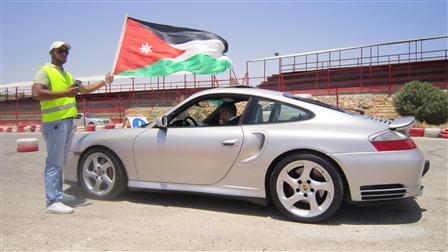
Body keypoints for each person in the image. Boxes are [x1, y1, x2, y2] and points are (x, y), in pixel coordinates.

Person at [32, 41, 114, 214]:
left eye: (66, 52)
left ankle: (58, 194)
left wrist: (104, 81)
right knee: (54, 162)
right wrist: (64, 93)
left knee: (61, 161)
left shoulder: (67, 75)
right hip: (55, 123)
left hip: (68, 122)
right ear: (52, 52)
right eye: (61, 51)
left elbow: (84, 89)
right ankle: (52, 201)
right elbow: (36, 93)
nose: (64, 54)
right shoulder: (45, 71)